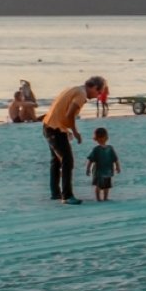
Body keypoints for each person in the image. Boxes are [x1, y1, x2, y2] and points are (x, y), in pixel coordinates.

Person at [42, 76, 105, 205]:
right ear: (93, 87)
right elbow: (69, 114)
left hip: (49, 126)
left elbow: (62, 112)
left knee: (56, 161)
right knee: (67, 161)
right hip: (55, 129)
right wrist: (75, 132)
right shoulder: (81, 94)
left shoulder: (74, 89)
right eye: (98, 92)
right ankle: (67, 196)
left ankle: (55, 193)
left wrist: (67, 130)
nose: (98, 96)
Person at [86, 127, 121, 202]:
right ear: (96, 139)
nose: (101, 139)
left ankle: (105, 198)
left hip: (108, 171)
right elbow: (90, 160)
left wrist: (118, 167)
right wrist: (88, 169)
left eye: (103, 137)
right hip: (99, 172)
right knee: (98, 186)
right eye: (99, 138)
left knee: (107, 186)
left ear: (106, 137)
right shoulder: (96, 149)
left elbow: (115, 159)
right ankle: (98, 198)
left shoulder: (110, 148)